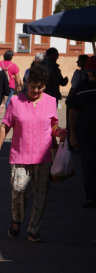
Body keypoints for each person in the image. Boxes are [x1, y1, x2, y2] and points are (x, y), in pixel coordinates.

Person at [0, 65, 67, 243]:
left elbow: (53, 125)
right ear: (26, 83)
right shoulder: (16, 102)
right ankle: (17, 219)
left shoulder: (50, 101)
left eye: (40, 87)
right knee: (18, 189)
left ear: (45, 85)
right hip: (20, 155)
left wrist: (59, 132)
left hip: (44, 156)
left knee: (41, 194)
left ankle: (34, 230)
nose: (36, 90)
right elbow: (5, 126)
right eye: (33, 86)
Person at [69, 56, 96, 208]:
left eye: (94, 73)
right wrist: (72, 133)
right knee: (89, 167)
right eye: (89, 73)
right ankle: (92, 197)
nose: (92, 76)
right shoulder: (81, 87)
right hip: (86, 134)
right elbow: (73, 111)